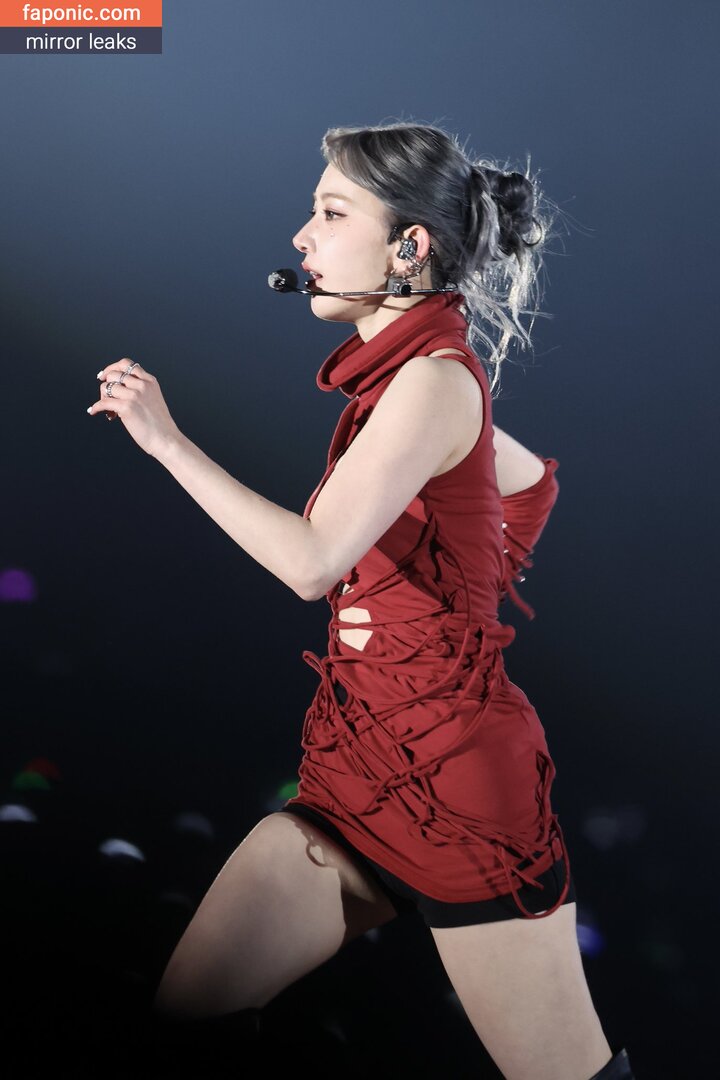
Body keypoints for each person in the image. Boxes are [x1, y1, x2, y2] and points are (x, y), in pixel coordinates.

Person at [87, 122, 635, 1080]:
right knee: (187, 1018)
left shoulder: (429, 383)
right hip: (362, 770)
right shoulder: (419, 388)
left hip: (461, 790)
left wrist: (166, 441)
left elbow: (312, 564)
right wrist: (466, 568)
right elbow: (525, 491)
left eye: (332, 212)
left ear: (408, 247)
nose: (303, 237)